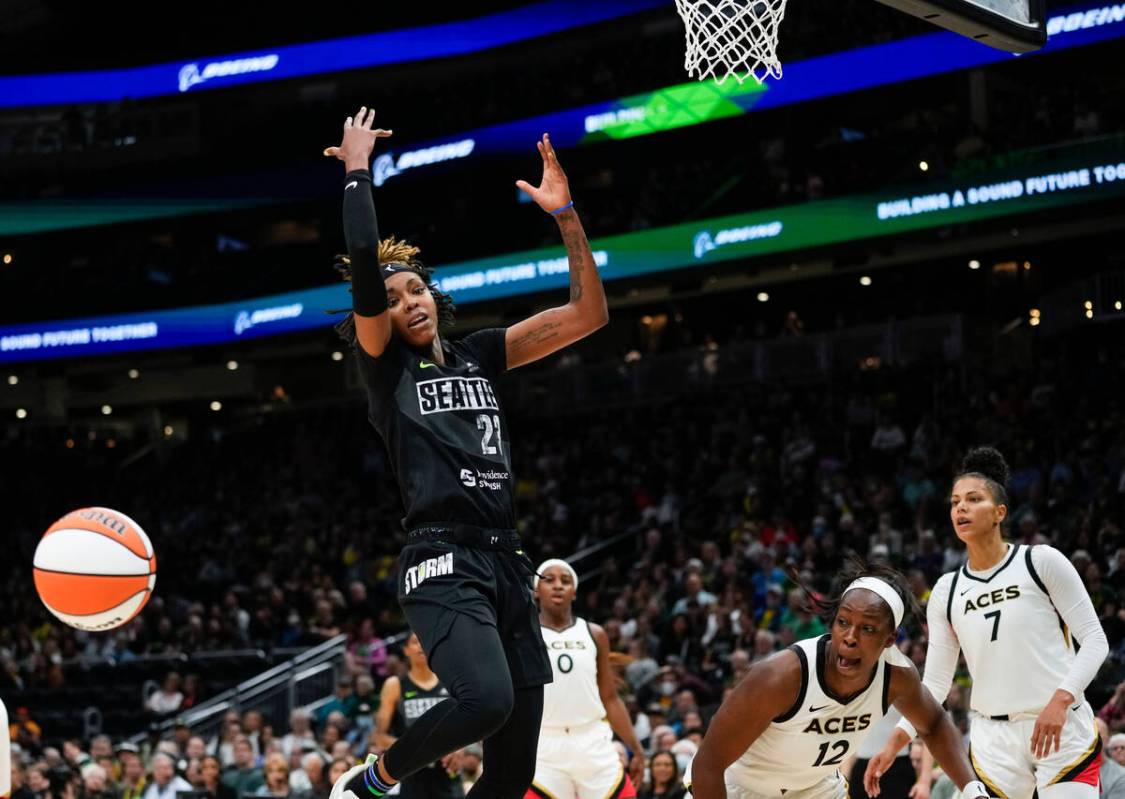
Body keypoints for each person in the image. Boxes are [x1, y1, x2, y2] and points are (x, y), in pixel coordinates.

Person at [324, 107, 608, 799]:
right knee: (486, 700)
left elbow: (587, 315)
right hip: (439, 559)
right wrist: (358, 173)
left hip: (507, 560)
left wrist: (565, 213)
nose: (407, 302)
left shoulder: (480, 353)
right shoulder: (385, 368)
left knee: (509, 777)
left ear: (433, 295)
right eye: (390, 299)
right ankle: (375, 779)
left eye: (415, 288)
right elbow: (365, 270)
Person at [866, 447, 1110, 799]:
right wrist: (897, 739)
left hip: (1061, 729)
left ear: (999, 513)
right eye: (954, 502)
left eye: (973, 499)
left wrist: (1061, 700)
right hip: (992, 741)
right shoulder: (946, 591)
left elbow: (1095, 640)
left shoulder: (1040, 562)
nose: (960, 508)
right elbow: (935, 682)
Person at [686, 557, 991, 799]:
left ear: (889, 639)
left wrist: (973, 789)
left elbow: (934, 723)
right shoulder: (779, 676)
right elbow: (707, 765)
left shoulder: (897, 675)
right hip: (739, 790)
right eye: (843, 622)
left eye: (867, 628)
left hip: (815, 789)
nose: (850, 637)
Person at [525, 559, 646, 799]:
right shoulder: (523, 634)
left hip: (592, 740)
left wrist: (636, 748)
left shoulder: (595, 634)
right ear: (537, 591)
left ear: (575, 592)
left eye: (566, 580)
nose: (558, 585)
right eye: (549, 580)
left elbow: (610, 698)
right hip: (543, 743)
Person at [374, 632, 463, 798]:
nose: (421, 646)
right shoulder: (395, 685)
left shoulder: (451, 681)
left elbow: (470, 724)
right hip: (410, 771)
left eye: (425, 641)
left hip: (447, 770)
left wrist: (460, 748)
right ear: (406, 650)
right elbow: (379, 737)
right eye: (416, 642)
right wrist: (417, 749)